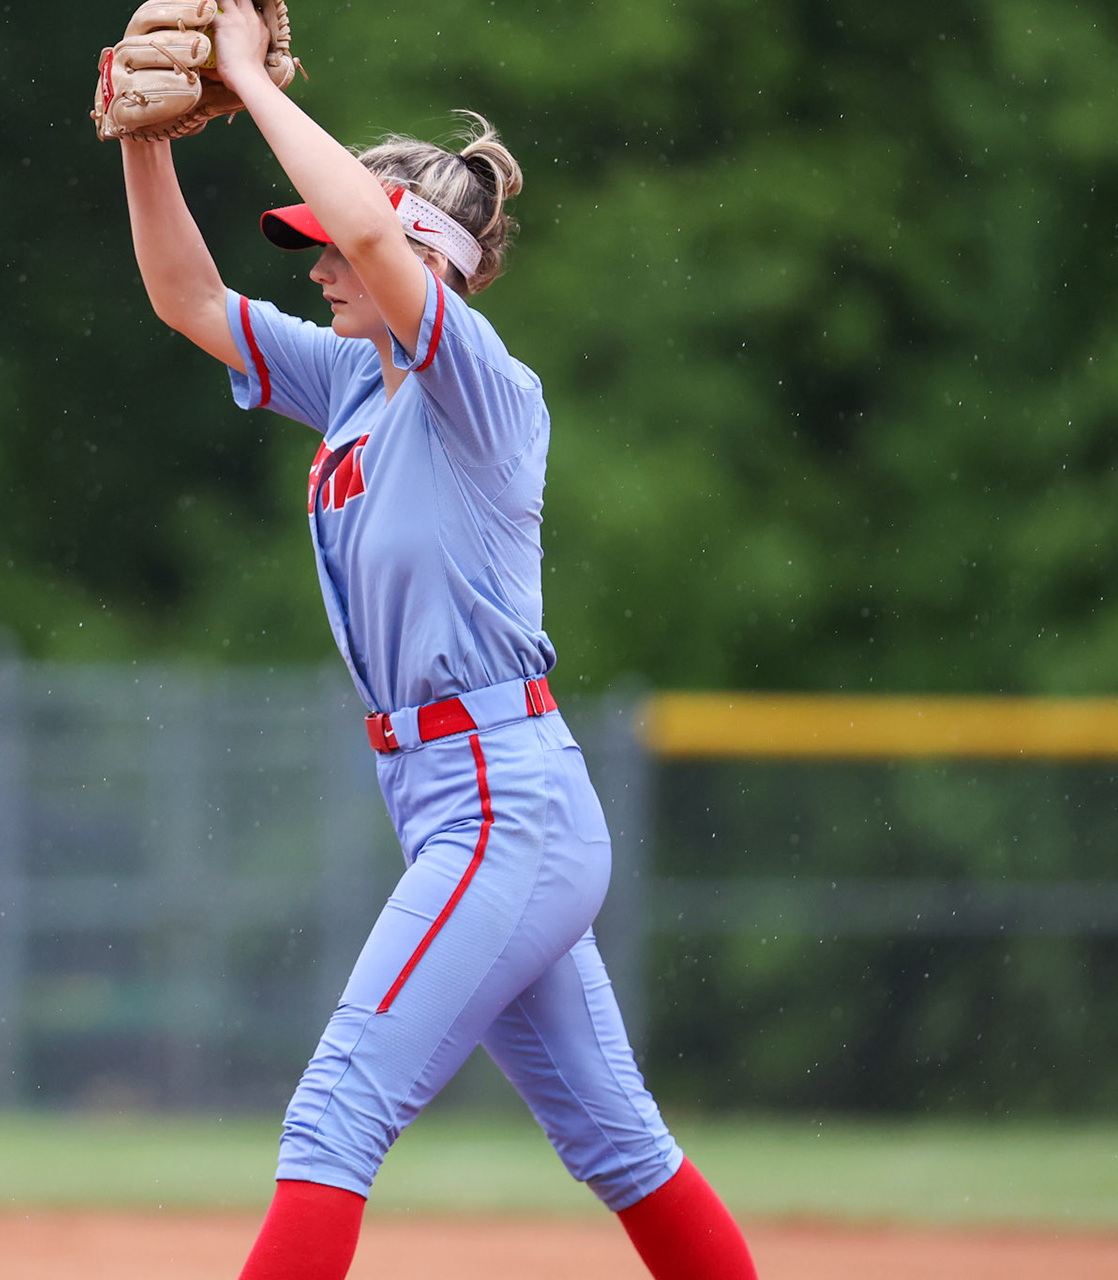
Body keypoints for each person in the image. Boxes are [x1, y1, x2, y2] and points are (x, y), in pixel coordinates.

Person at [115, 5, 759, 1279]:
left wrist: (242, 73)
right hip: (453, 798)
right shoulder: (359, 379)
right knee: (620, 1143)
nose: (318, 267)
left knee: (334, 1112)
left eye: (337, 251)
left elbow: (360, 223)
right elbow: (188, 297)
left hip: (502, 803)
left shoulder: (478, 381)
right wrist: (142, 145)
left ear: (418, 252)